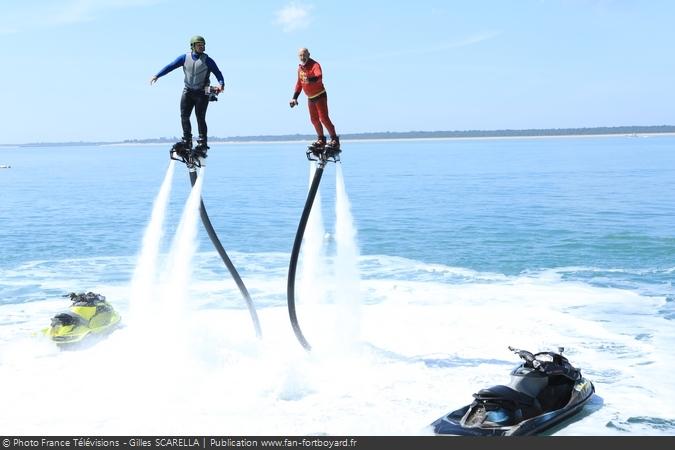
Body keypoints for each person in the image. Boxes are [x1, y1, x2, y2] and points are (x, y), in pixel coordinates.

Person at [150, 35, 224, 157]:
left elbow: (218, 73)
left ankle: (202, 143)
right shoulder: (185, 58)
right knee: (184, 115)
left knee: (200, 117)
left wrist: (221, 84)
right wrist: (157, 75)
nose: (202, 47)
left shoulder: (208, 60)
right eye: (199, 45)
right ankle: (187, 141)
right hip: (188, 91)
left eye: (203, 45)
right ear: (193, 46)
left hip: (202, 92)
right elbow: (170, 66)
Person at [289, 48, 340, 151]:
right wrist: (294, 98)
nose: (302, 57)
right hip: (310, 98)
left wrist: (310, 79)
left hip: (320, 95)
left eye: (304, 55)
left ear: (308, 54)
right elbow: (299, 84)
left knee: (324, 118)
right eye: (300, 56)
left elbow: (319, 77)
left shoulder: (315, 65)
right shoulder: (300, 69)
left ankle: (335, 140)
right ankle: (321, 140)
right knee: (314, 120)